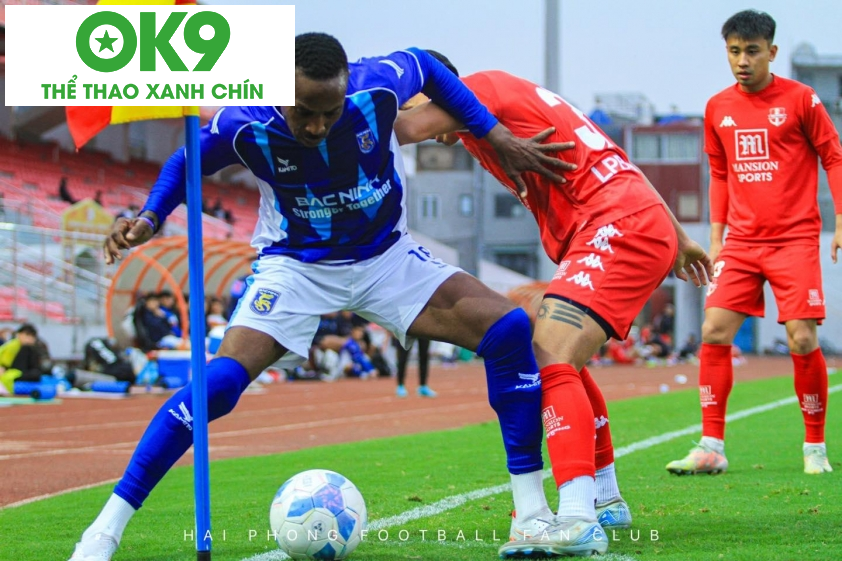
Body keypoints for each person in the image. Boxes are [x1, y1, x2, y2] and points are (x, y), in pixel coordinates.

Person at [69, 32, 578, 561]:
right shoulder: (245, 122)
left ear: (345, 87)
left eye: (328, 112)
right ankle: (103, 532)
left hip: (386, 259)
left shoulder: (376, 85)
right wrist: (150, 217)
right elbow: (185, 160)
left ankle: (532, 516)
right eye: (304, 112)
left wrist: (495, 135)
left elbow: (428, 66)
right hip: (296, 266)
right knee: (215, 387)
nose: (316, 126)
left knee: (508, 328)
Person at [395, 53, 712, 558]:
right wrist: (678, 235)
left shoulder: (477, 89)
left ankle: (579, 518)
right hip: (626, 219)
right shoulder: (498, 109)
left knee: (548, 357)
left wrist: (308, 113)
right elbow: (619, 158)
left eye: (410, 99)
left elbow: (402, 129)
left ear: (437, 90)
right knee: (563, 359)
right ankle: (604, 498)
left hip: (614, 224)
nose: (418, 117)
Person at [666, 9, 842, 477]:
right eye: (734, 51)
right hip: (741, 243)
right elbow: (720, 173)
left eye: (752, 51)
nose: (742, 61)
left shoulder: (802, 99)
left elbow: (833, 155)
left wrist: (841, 221)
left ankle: (814, 447)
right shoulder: (717, 108)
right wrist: (716, 238)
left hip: (794, 239)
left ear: (772, 52)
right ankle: (711, 447)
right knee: (713, 331)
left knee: (801, 337)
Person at [0, 324, 43, 394]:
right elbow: (4, 366)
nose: (29, 339)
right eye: (27, 335)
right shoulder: (13, 346)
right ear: (19, 335)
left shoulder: (33, 348)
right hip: (11, 373)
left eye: (32, 336)